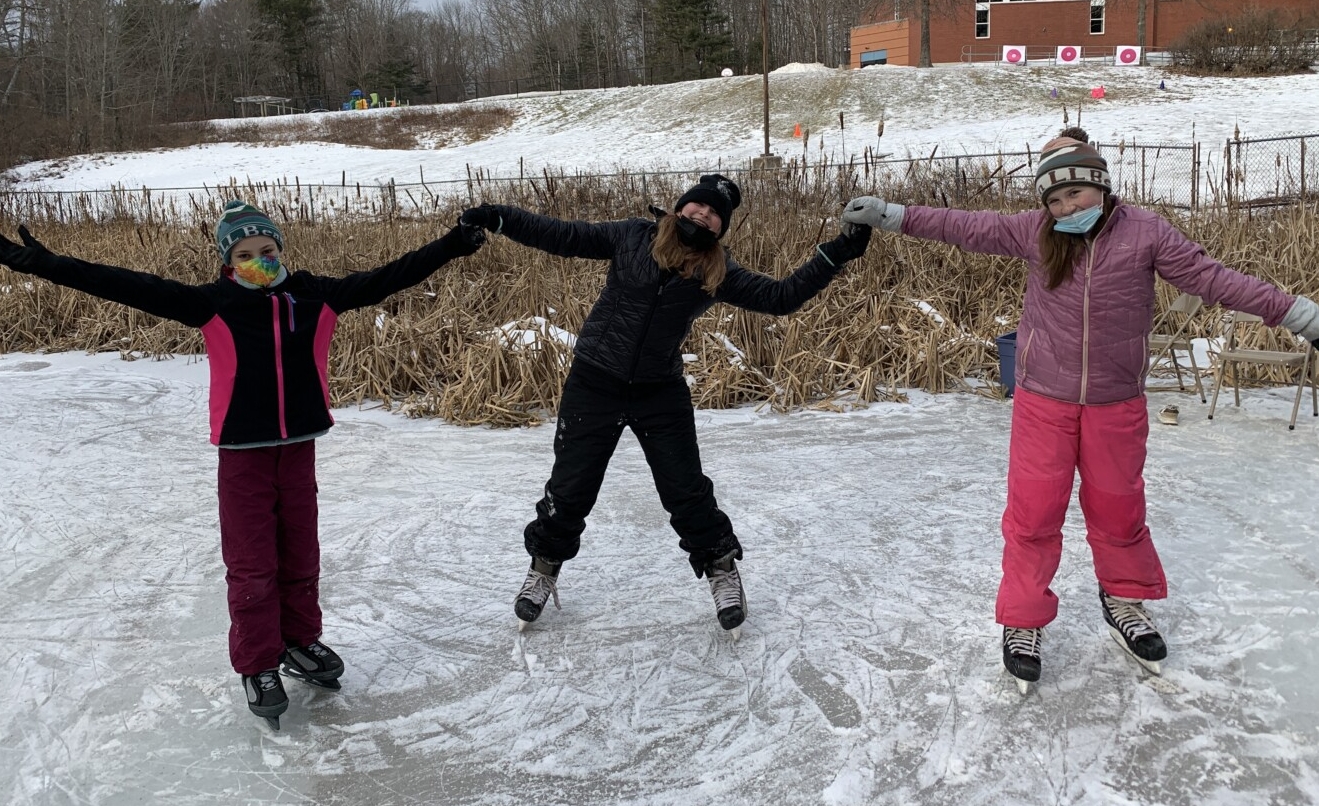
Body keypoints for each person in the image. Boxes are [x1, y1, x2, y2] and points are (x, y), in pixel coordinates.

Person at [841, 132, 1319, 692]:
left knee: (1119, 510)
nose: (1068, 208)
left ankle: (1125, 601)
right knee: (1034, 514)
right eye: (1056, 199)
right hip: (1044, 398)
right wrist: (892, 214)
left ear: (1101, 186)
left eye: (1077, 194)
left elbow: (1213, 279)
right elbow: (964, 227)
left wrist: (1297, 314)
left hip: (1116, 402)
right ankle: (1023, 620)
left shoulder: (1146, 232)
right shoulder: (1035, 233)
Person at [0, 201, 485, 726]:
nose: (259, 260)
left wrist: (453, 243)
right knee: (252, 563)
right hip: (242, 457)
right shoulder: (214, 304)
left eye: (268, 251)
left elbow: (394, 275)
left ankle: (300, 641)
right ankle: (258, 663)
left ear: (280, 251)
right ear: (228, 261)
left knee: (301, 553)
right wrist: (47, 264)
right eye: (246, 254)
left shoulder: (314, 296)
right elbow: (126, 284)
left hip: (298, 448)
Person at [459, 174, 871, 637]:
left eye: (715, 214)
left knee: (685, 490)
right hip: (595, 380)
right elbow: (562, 234)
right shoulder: (632, 236)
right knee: (571, 487)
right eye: (699, 205)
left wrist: (837, 252)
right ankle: (544, 568)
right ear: (680, 207)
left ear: (721, 227)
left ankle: (721, 570)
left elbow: (780, 298)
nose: (704, 215)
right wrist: (499, 217)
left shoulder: (717, 270)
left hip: (659, 390)